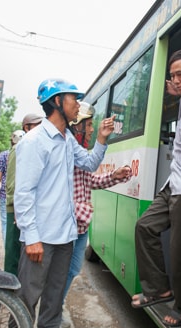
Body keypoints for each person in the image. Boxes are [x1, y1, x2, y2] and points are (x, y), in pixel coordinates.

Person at [14, 79, 114, 328]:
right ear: (56, 102)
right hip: (40, 236)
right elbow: (24, 194)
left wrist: (103, 139)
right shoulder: (34, 142)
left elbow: (89, 164)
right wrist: (31, 238)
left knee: (56, 291)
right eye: (73, 99)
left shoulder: (67, 138)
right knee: (27, 295)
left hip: (65, 233)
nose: (77, 105)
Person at [130, 48, 181, 328]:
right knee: (145, 226)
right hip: (173, 183)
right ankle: (159, 289)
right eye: (172, 75)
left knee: (179, 251)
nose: (175, 79)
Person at [61, 102, 132, 310]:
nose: (92, 130)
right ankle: (52, 316)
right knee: (61, 272)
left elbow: (90, 180)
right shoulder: (67, 146)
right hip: (70, 223)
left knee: (72, 271)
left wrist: (114, 176)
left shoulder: (80, 151)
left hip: (81, 225)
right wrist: (102, 138)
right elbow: (91, 165)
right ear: (77, 125)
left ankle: (58, 308)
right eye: (90, 125)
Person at [4, 114, 43, 277]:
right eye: (37, 125)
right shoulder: (19, 147)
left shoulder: (33, 146)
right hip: (15, 210)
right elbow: (13, 181)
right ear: (26, 127)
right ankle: (6, 293)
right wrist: (16, 210)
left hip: (24, 209)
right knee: (12, 255)